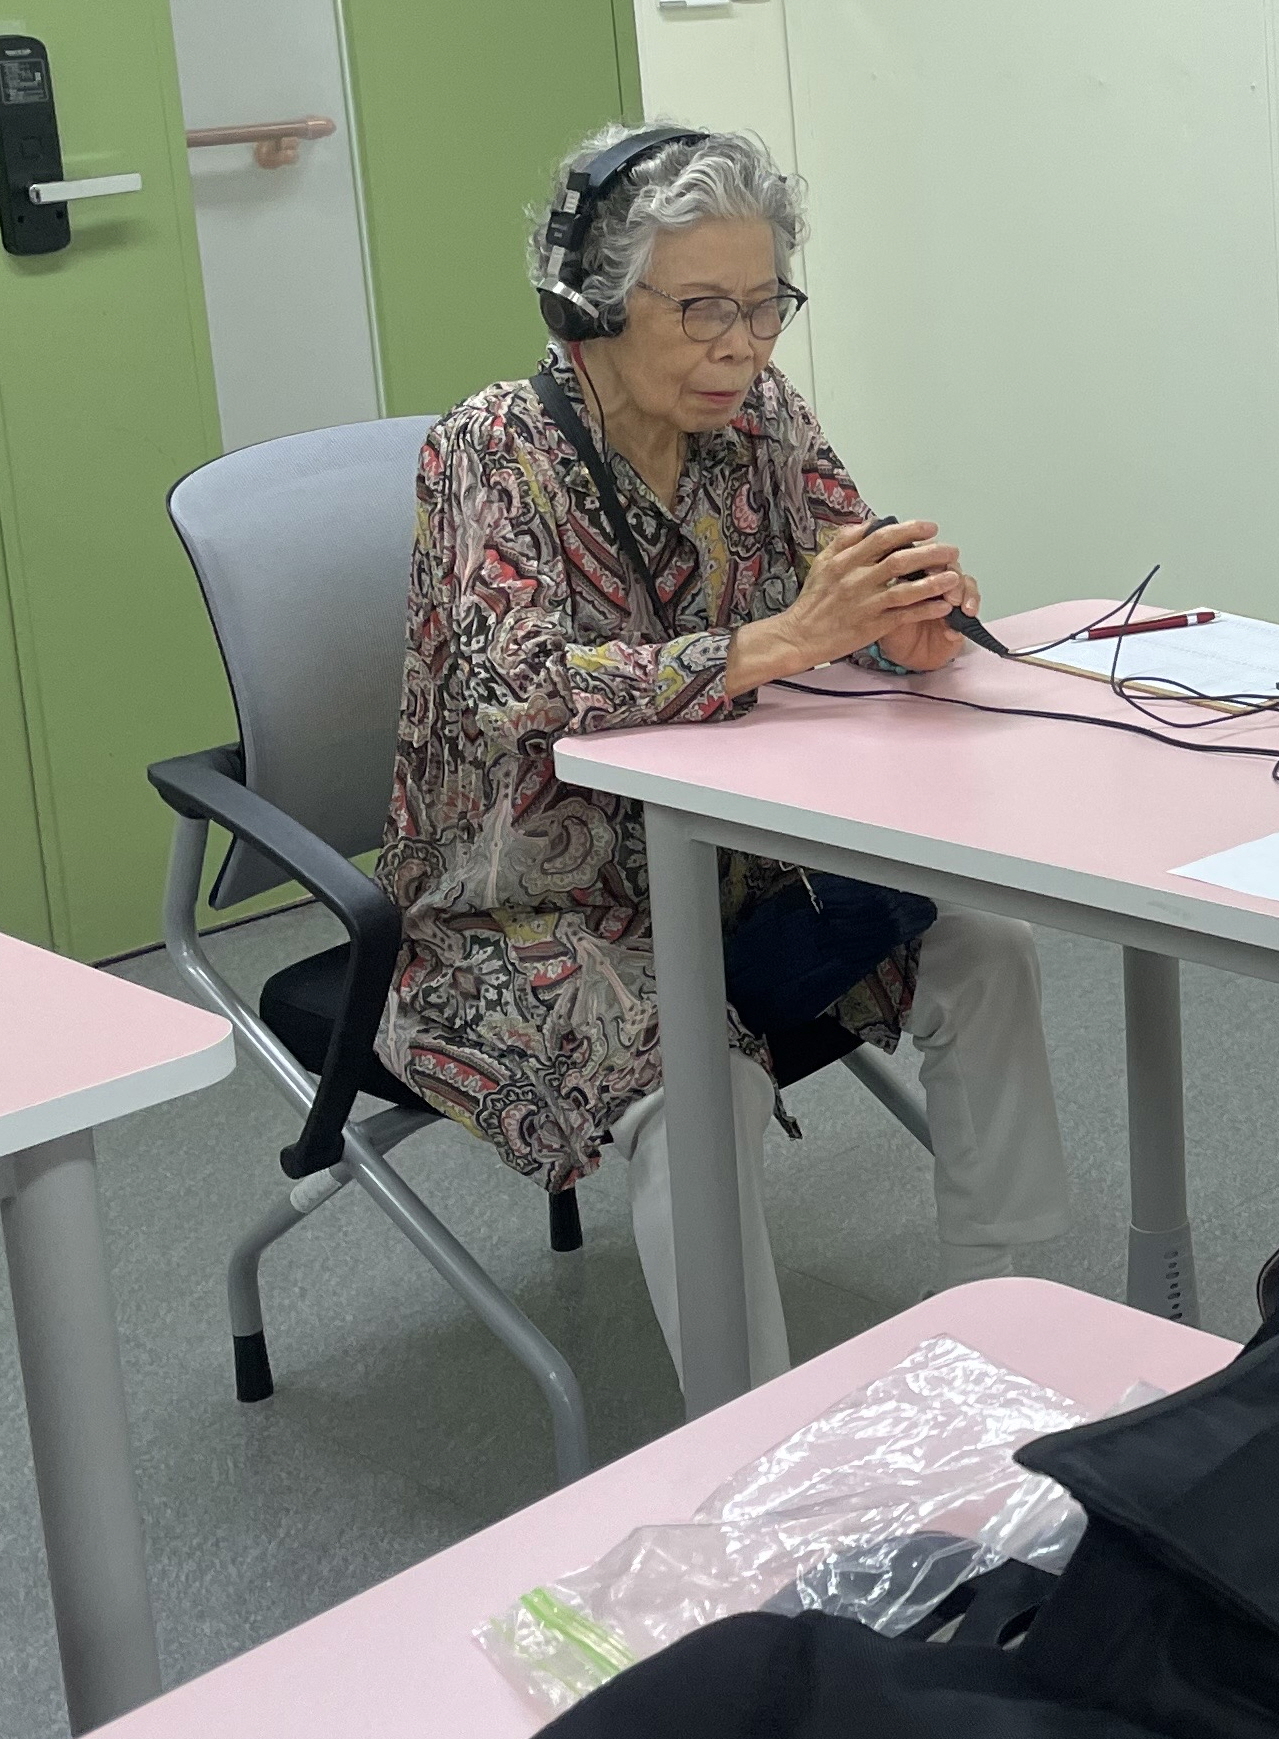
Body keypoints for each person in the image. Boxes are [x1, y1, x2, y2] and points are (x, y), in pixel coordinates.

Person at [377, 125, 1074, 1389]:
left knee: (986, 944)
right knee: (707, 1087)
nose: (742, 346)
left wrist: (903, 626)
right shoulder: (491, 448)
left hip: (741, 867)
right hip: (528, 914)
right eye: (702, 307)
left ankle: (1002, 1324)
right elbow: (514, 688)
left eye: (764, 306)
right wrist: (781, 640)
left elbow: (848, 577)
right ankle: (751, 1442)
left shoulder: (763, 418)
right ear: (590, 299)